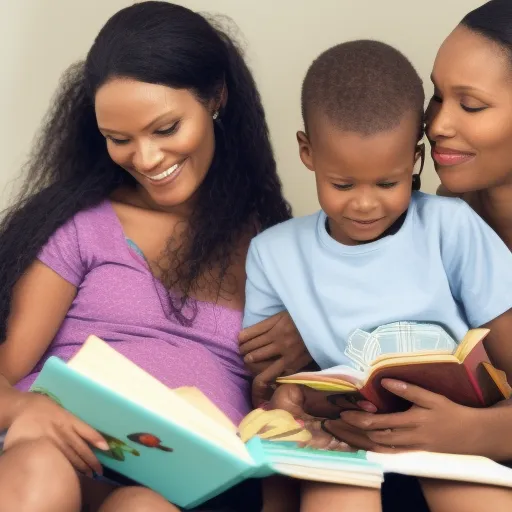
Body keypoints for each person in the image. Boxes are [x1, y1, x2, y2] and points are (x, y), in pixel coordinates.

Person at [0, 2, 300, 511]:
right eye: (120, 139)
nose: (146, 158)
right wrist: (20, 409)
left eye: (165, 129)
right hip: (54, 457)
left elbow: (283, 412)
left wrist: (310, 327)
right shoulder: (83, 224)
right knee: (42, 469)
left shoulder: (276, 250)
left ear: (217, 98)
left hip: (180, 490)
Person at [242, 39, 512, 512]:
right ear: (307, 152)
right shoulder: (273, 254)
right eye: (342, 184)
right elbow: (273, 386)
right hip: (346, 441)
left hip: (452, 437)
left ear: (416, 158)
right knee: (336, 498)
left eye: (388, 183)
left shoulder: (450, 228)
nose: (365, 205)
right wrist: (292, 399)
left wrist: (467, 426)